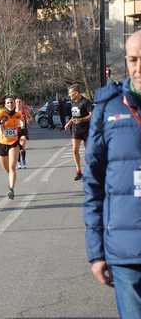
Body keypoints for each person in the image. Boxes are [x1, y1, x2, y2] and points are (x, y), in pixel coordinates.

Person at [84, 30, 141, 318]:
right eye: (133, 59)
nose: (138, 67)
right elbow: (93, 184)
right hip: (125, 253)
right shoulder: (108, 108)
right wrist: (96, 252)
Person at [0, 97, 24, 200]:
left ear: (14, 104)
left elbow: (23, 124)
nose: (10, 104)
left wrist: (22, 126)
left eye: (12, 102)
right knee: (7, 169)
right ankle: (11, 179)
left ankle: (11, 189)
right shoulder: (1, 114)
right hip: (1, 143)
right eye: (8, 102)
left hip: (13, 143)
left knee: (12, 167)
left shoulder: (18, 114)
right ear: (5, 104)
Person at [65, 84, 93, 181]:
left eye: (70, 93)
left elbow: (91, 115)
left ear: (76, 93)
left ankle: (89, 171)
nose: (69, 95)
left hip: (86, 130)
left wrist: (81, 120)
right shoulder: (73, 102)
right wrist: (69, 123)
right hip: (76, 130)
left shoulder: (86, 102)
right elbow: (74, 115)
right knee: (74, 150)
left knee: (88, 152)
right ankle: (79, 171)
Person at [15, 98, 32, 169]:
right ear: (15, 103)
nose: (18, 103)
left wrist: (28, 120)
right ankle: (19, 162)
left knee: (22, 145)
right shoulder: (13, 111)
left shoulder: (24, 111)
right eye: (17, 102)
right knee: (17, 147)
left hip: (23, 130)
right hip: (15, 131)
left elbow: (30, 118)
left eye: (19, 102)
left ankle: (23, 160)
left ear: (22, 103)